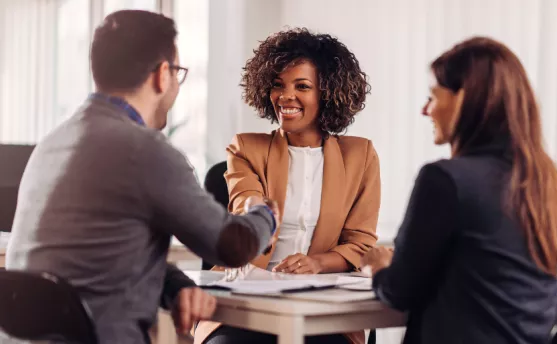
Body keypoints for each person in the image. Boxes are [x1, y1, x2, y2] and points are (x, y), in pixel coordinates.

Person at [6, 10, 278, 344]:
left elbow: (96, 263)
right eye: (178, 73)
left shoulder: (54, 142)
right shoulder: (144, 150)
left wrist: (177, 287)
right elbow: (233, 246)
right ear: (163, 75)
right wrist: (264, 213)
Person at [361, 37, 557, 344]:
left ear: (464, 98)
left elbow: (399, 292)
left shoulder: (445, 179)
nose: (426, 110)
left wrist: (378, 267)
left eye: (433, 97)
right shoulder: (546, 182)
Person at [194, 28, 380, 344]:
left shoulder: (360, 156)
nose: (285, 96)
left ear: (328, 93)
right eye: (278, 85)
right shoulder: (246, 148)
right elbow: (246, 203)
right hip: (248, 301)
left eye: (302, 86)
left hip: (325, 308)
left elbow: (360, 244)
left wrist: (317, 262)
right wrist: (258, 212)